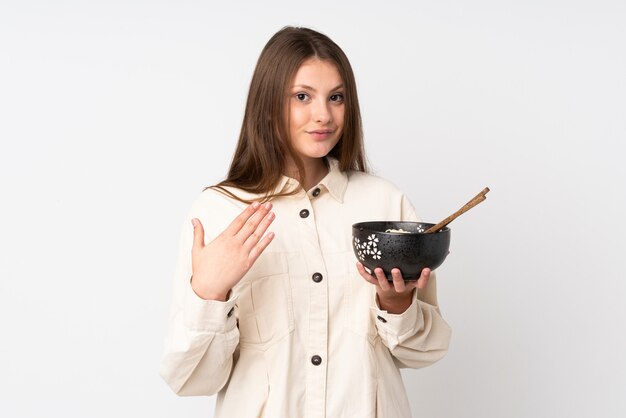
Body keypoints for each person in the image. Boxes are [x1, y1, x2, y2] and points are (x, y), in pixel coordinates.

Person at [159, 26, 452, 418]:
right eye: (302, 97)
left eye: (336, 97)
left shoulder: (384, 204)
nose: (323, 115)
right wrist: (210, 294)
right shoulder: (218, 211)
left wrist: (396, 305)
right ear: (267, 104)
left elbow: (424, 351)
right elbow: (191, 379)